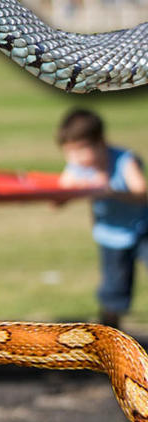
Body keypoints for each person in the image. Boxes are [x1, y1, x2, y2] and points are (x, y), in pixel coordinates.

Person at [58, 108, 148, 328]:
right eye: (69, 153)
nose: (74, 159)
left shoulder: (124, 160)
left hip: (142, 229)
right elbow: (57, 201)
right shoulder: (78, 168)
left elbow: (142, 193)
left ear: (100, 142)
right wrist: (73, 190)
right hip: (111, 237)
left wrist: (110, 191)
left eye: (79, 151)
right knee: (113, 291)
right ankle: (109, 335)